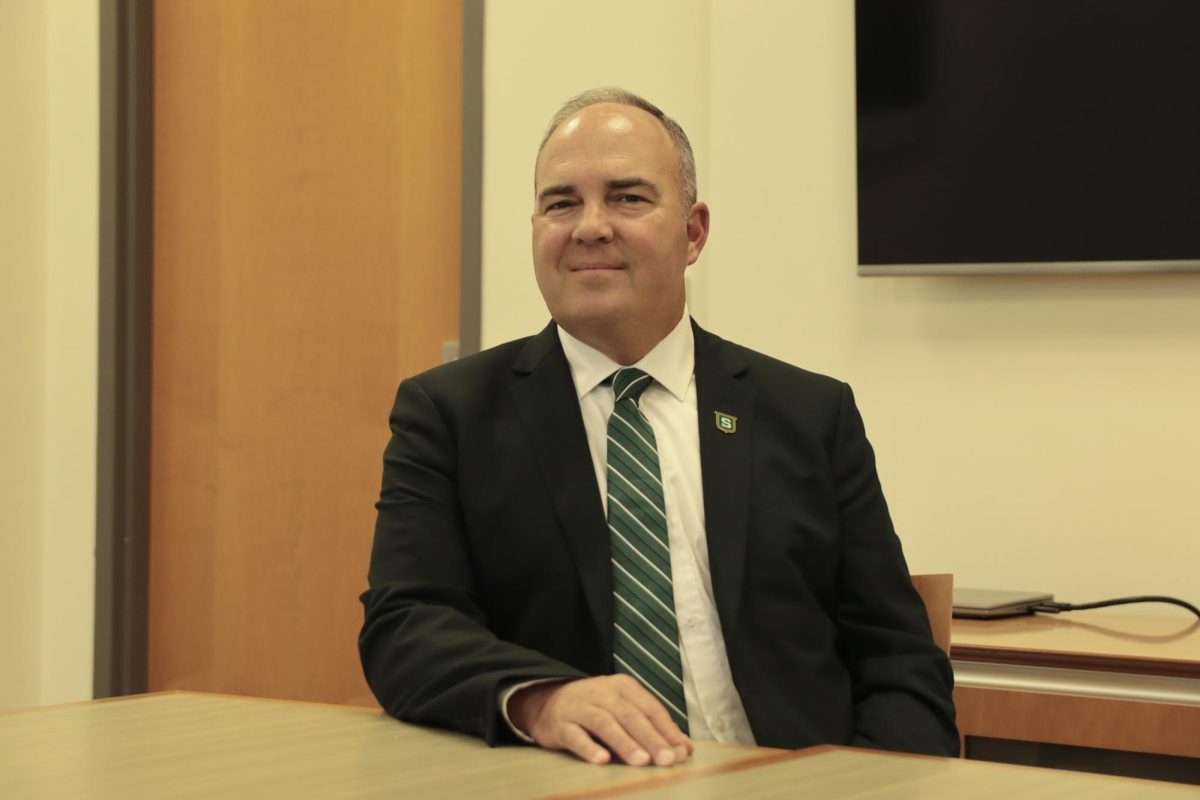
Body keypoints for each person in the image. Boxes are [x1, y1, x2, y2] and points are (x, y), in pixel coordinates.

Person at [359, 88, 958, 767]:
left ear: (693, 232)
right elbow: (404, 628)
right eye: (561, 203)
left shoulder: (809, 415)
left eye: (627, 198)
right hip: (575, 783)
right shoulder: (450, 415)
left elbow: (898, 657)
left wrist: (864, 789)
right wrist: (541, 699)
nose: (589, 226)